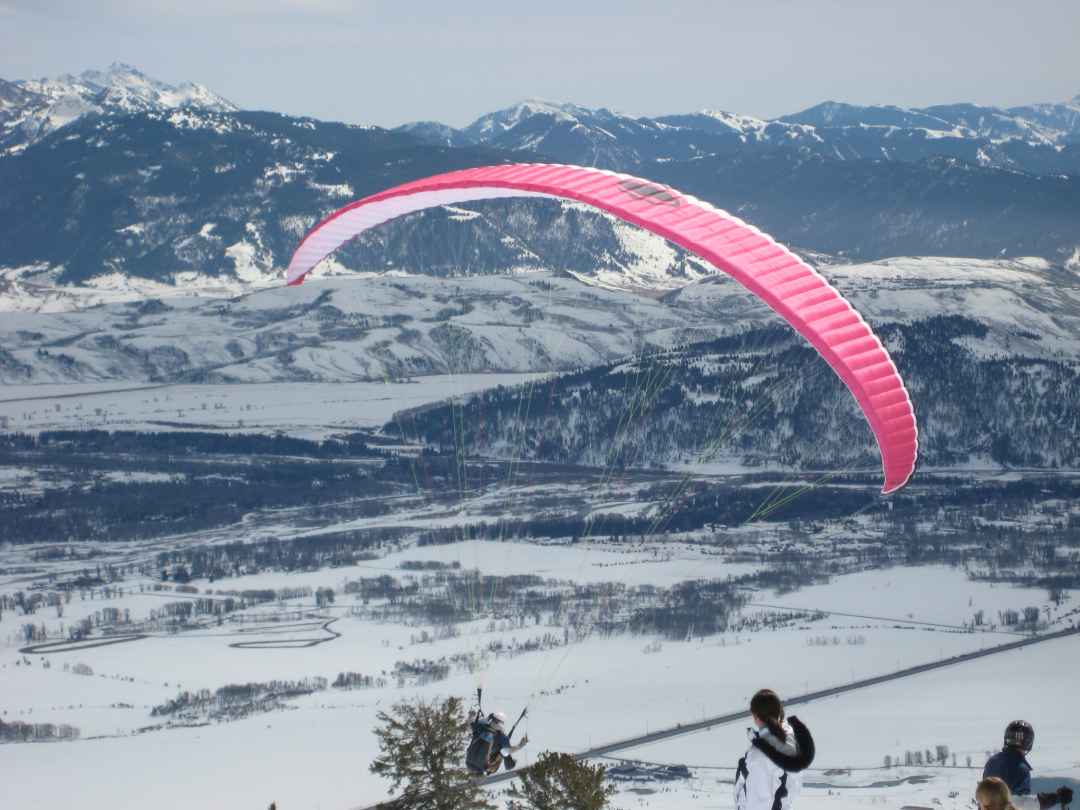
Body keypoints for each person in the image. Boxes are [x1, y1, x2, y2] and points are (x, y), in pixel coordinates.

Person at [734, 689, 815, 810]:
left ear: (756, 716)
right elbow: (792, 790)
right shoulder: (792, 744)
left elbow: (758, 803)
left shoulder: (758, 757)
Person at [983, 721, 1073, 810]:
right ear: (1028, 742)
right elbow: (1023, 803)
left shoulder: (992, 762)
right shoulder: (1020, 768)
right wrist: (1057, 798)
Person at [466, 709, 529, 776]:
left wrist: (520, 746)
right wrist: (520, 746)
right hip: (474, 761)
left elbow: (469, 727)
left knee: (505, 759)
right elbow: (506, 751)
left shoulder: (481, 727)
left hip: (475, 760)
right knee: (504, 757)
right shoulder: (500, 737)